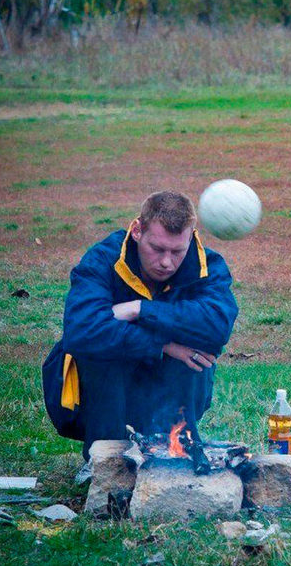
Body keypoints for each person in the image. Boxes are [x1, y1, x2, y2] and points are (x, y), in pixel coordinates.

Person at [42, 190, 239, 464]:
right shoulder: (102, 259)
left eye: (177, 251)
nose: (166, 262)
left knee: (196, 349)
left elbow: (217, 326)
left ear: (191, 237)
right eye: (157, 249)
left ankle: (174, 455)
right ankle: (106, 463)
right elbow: (80, 331)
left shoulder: (208, 265)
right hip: (92, 399)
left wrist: (140, 309)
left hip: (167, 390)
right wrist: (163, 346)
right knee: (102, 350)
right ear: (137, 231)